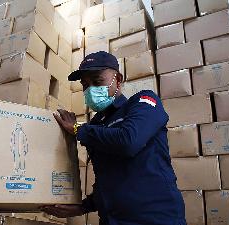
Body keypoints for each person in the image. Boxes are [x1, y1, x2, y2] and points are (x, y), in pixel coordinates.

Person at [42, 51, 186, 225]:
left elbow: (129, 141)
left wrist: (77, 128)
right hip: (112, 220)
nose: (91, 90)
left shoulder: (143, 102)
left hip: (154, 218)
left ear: (117, 79)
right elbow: (107, 177)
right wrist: (83, 207)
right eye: (85, 85)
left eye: (97, 81)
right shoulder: (95, 125)